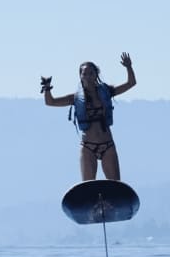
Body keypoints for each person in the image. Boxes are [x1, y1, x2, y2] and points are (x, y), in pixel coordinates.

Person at [42, 52, 136, 181]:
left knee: (115, 184)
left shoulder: (107, 91)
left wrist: (128, 67)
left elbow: (131, 83)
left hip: (107, 144)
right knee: (88, 186)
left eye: (90, 73)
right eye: (84, 73)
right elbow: (50, 102)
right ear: (80, 76)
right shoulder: (75, 98)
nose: (87, 76)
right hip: (88, 146)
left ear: (96, 75)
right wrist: (47, 88)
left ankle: (111, 200)